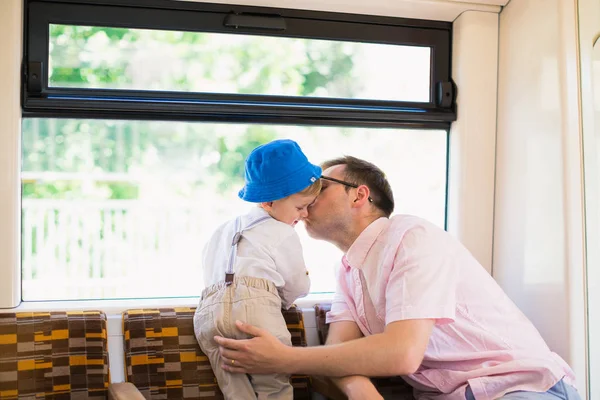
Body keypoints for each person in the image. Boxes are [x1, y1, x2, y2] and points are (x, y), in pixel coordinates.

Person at [213, 156, 581, 400]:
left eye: (319, 187)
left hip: (515, 388)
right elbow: (336, 358)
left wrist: (283, 359)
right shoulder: (347, 272)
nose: (305, 197)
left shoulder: (410, 237)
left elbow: (401, 354)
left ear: (359, 196)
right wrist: (357, 384)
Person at [193, 139, 321, 400]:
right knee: (274, 385)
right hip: (256, 311)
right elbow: (297, 284)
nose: (305, 214)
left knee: (234, 390)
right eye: (300, 207)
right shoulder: (282, 232)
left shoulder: (222, 229)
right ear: (268, 202)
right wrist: (281, 300)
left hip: (208, 315)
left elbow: (209, 265)